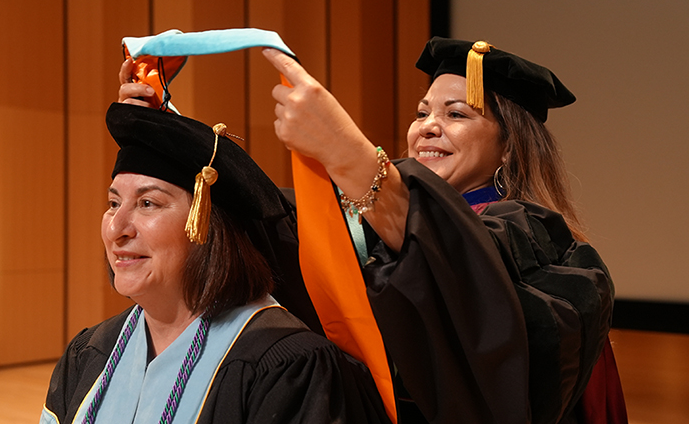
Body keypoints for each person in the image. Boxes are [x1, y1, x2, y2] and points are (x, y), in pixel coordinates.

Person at [261, 38, 625, 424]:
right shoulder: (367, 216)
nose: (428, 127)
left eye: (457, 115)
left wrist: (343, 150)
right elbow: (273, 215)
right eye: (422, 113)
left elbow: (459, 264)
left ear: (508, 147)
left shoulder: (534, 237)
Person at [41, 99, 391, 423]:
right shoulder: (89, 353)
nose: (117, 228)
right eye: (114, 203)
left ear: (208, 224)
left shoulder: (286, 365)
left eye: (148, 204)